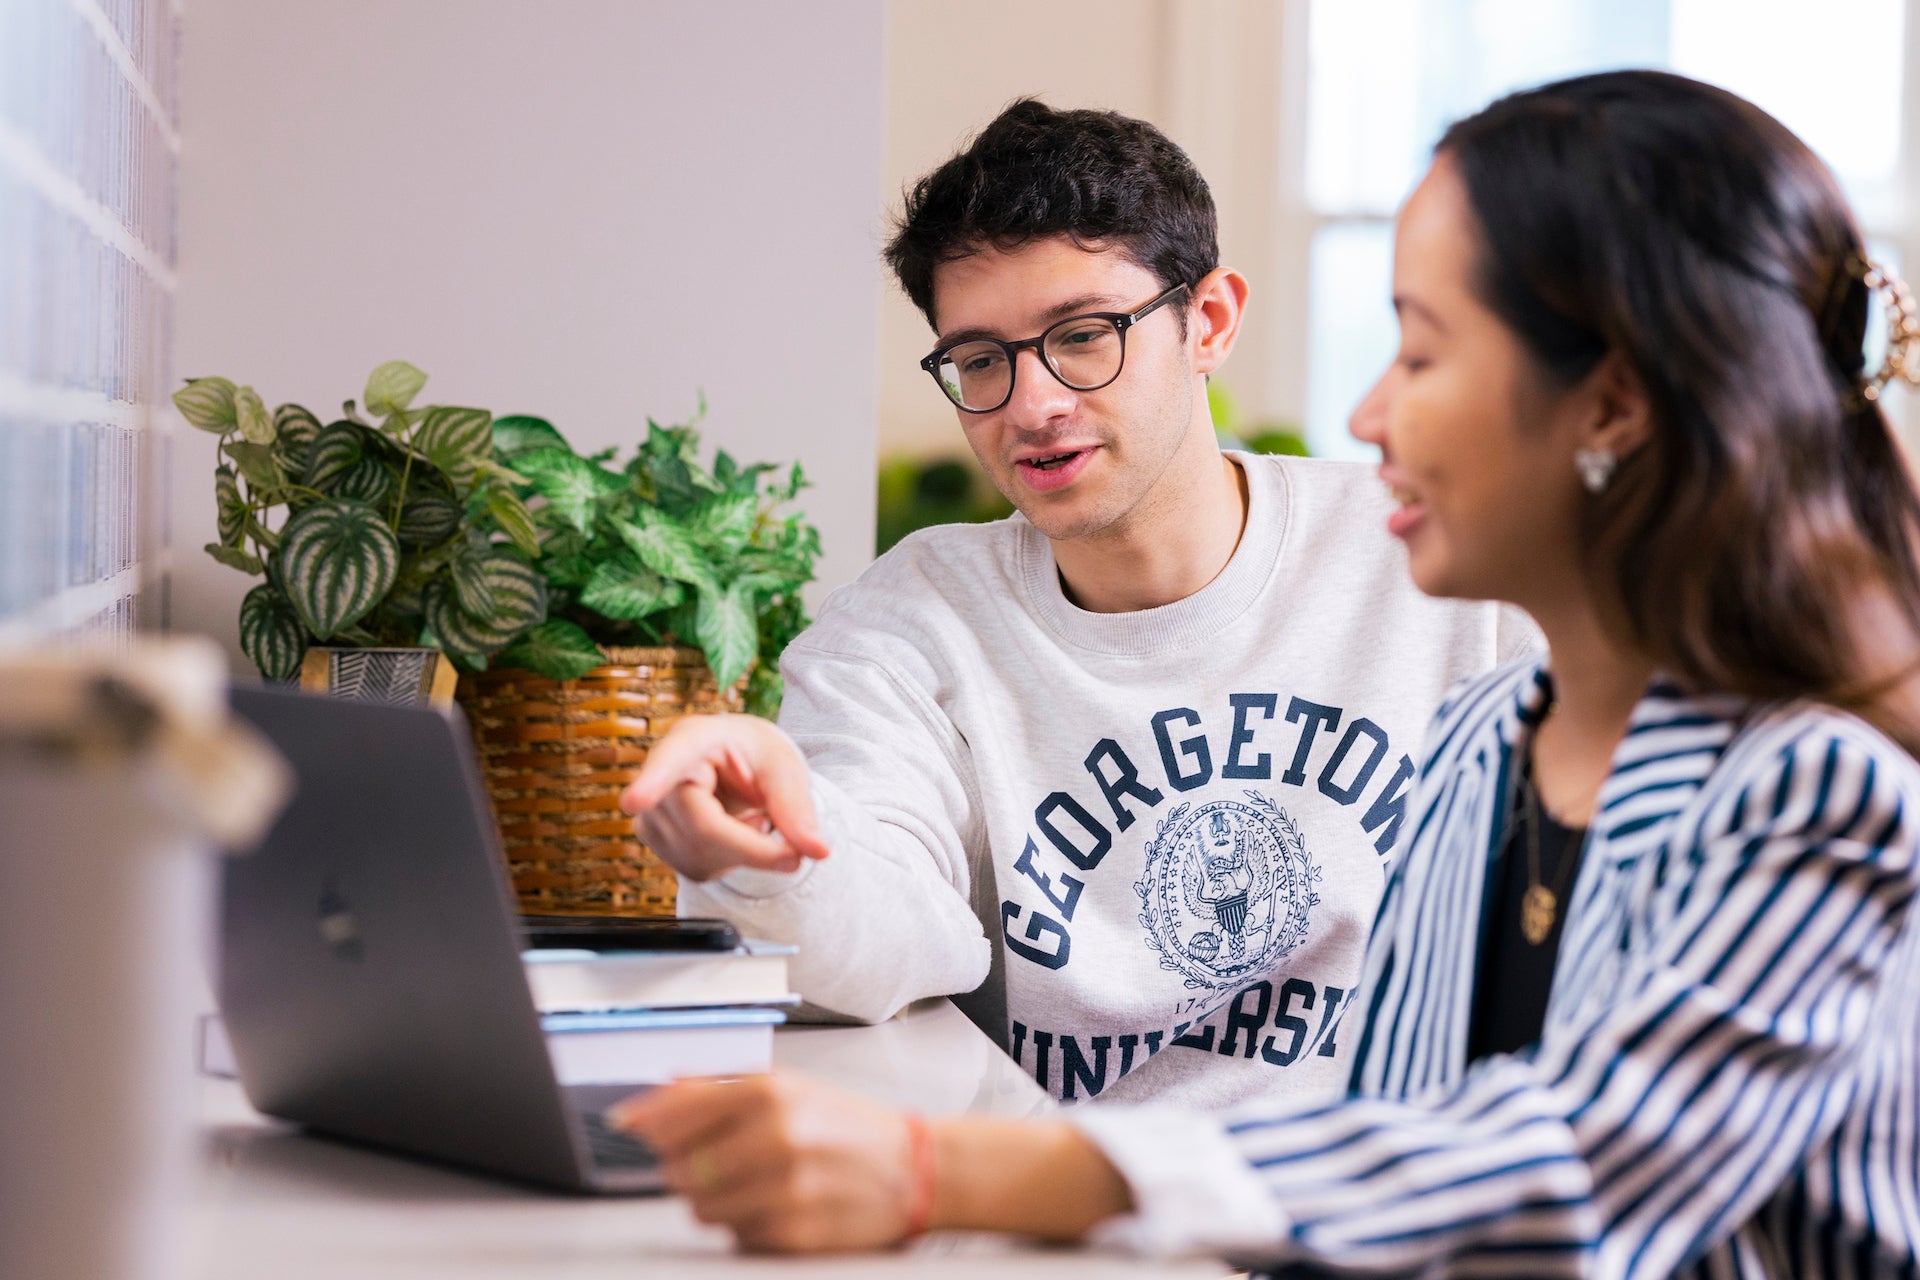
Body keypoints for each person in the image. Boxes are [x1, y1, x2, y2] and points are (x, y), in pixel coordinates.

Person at [610, 70, 1920, 1274]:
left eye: (1422, 351)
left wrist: (949, 1171)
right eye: (983, 362)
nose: (1364, 416)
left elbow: (1573, 1165)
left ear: (1612, 405)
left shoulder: (1820, 787)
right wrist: (777, 849)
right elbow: (1396, 1129)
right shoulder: (1488, 744)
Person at [619, 100, 1534, 1111]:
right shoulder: (911, 624)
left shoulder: (1443, 564)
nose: (1030, 403)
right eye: (979, 359)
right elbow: (895, 936)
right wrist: (777, 854)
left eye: (1084, 335)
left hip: (1386, 1214)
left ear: (1212, 321)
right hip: (1068, 1223)